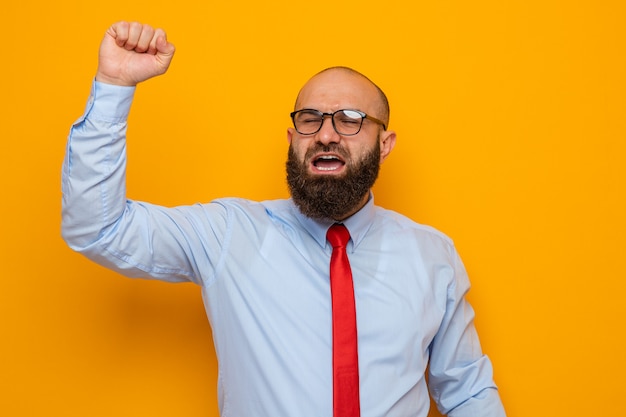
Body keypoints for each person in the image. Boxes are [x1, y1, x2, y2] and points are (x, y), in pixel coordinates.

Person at [62, 21, 506, 417]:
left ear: (385, 143)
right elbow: (99, 229)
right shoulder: (228, 235)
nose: (326, 134)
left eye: (351, 120)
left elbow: (468, 394)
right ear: (293, 139)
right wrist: (114, 86)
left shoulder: (432, 256)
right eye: (310, 120)